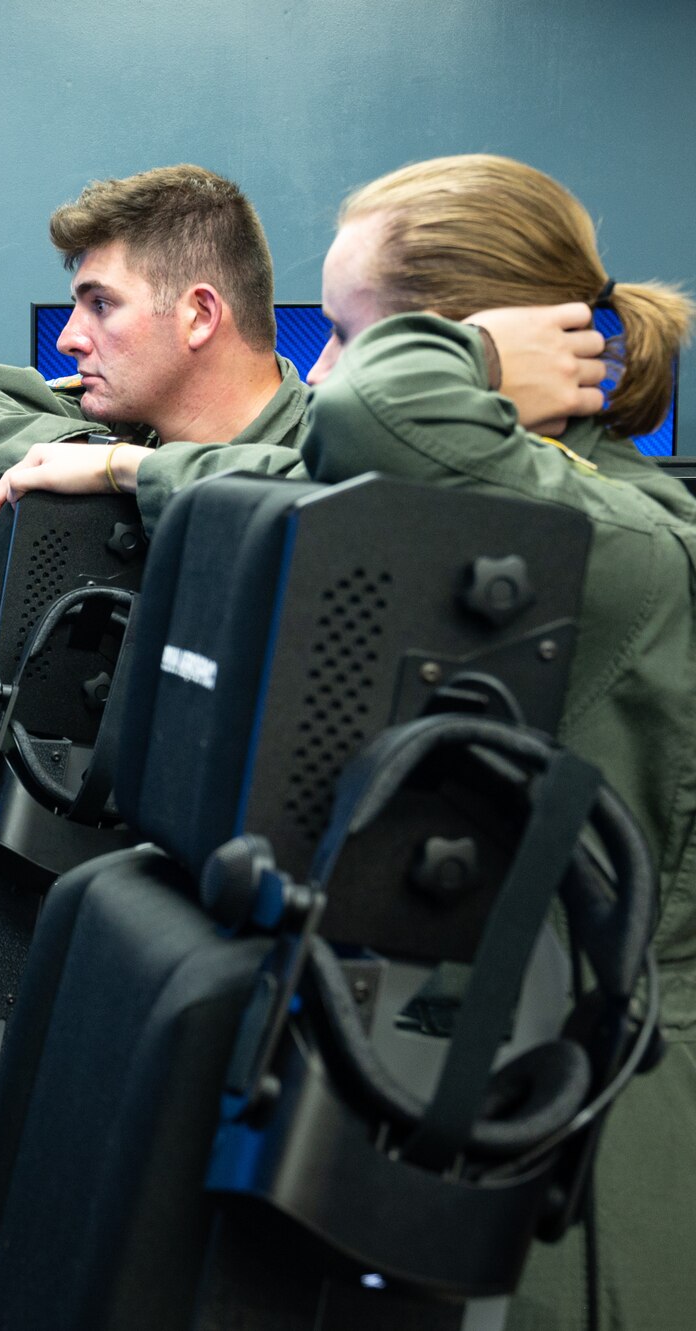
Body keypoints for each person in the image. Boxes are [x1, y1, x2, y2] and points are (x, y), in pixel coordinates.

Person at [291, 154, 695, 1331]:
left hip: (613, 1131)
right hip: (527, 1067)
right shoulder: (540, 502)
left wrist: (470, 356)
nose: (318, 373)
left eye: (352, 334)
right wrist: (125, 462)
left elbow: (361, 417)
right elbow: (304, 466)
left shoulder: (611, 542)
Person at [0, 164, 309, 532]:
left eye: (101, 304)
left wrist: (123, 469)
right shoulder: (126, 426)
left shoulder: (343, 449)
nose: (67, 340)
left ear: (199, 315)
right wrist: (97, 451)